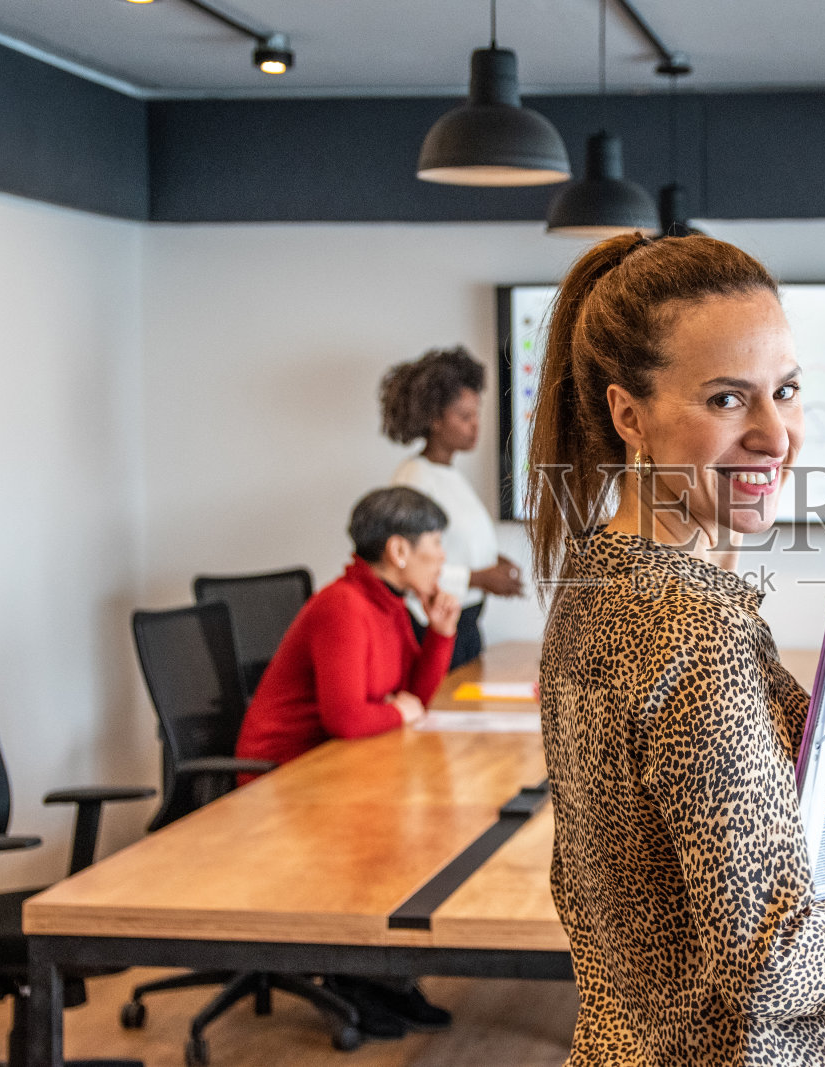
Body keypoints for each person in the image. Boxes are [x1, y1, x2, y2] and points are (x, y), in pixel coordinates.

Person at [527, 232, 825, 1067]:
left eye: (785, 391)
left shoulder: (595, 587)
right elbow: (775, 961)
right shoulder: (690, 633)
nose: (776, 434)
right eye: (727, 399)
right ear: (627, 414)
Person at [234, 486, 462, 1039]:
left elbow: (413, 698)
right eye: (436, 543)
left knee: (419, 830)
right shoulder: (343, 606)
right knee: (392, 838)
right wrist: (398, 710)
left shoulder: (388, 605)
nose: (444, 558)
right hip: (284, 777)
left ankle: (386, 980)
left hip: (337, 764)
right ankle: (356, 981)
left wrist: (440, 633)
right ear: (399, 551)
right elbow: (346, 718)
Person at [381, 345, 525, 669]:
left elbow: (455, 545)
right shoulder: (414, 479)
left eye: (476, 414)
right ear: (434, 420)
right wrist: (481, 577)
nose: (475, 425)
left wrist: (493, 561)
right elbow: (405, 566)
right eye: (464, 416)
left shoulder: (448, 475)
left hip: (464, 627)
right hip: (434, 631)